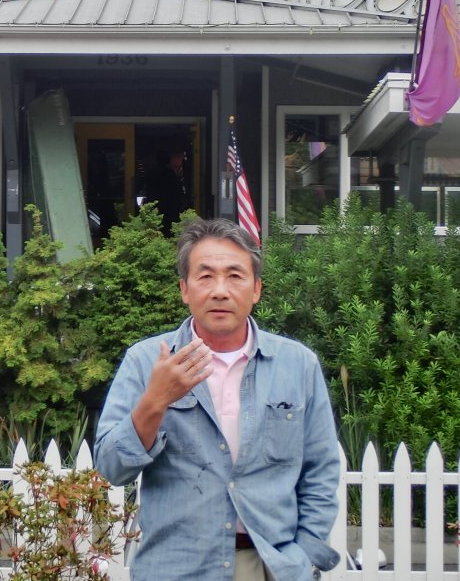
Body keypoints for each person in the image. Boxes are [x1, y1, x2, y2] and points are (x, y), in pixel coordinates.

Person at [94, 218, 341, 581]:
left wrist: (305, 555)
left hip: (271, 565)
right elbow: (111, 468)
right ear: (185, 289)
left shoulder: (297, 364)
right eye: (206, 276)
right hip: (176, 569)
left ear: (256, 289)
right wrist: (156, 400)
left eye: (235, 276)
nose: (220, 291)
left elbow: (321, 469)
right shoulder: (145, 361)